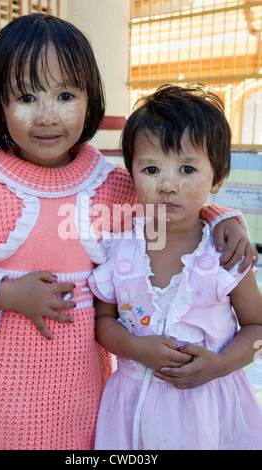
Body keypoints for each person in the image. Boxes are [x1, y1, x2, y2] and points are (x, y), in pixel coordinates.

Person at [0, 14, 255, 450]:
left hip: (84, 395)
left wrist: (220, 216)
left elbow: (169, 202)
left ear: (90, 97)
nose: (47, 115)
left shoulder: (111, 184)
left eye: (65, 95)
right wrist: (4, 294)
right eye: (25, 96)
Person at [89, 84, 262, 450]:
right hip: (131, 411)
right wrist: (137, 348)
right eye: (151, 168)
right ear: (130, 175)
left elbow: (258, 328)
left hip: (209, 412)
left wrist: (219, 364)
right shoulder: (118, 247)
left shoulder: (225, 253)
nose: (167, 184)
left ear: (217, 176)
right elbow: (102, 321)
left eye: (187, 168)